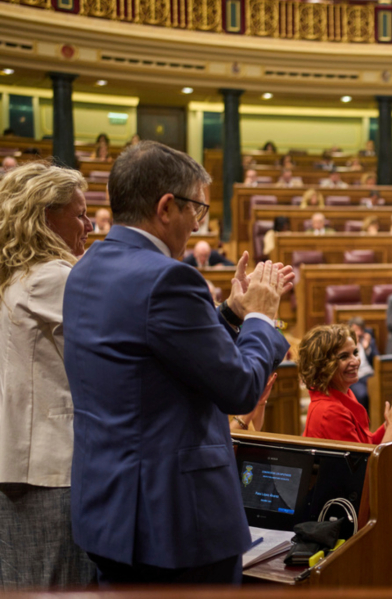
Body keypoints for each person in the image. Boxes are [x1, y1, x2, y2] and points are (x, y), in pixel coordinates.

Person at [64, 141, 293, 584]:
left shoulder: (87, 268)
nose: (197, 224)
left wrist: (231, 315)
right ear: (167, 206)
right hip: (174, 524)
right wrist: (264, 315)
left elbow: (160, 355)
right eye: (197, 210)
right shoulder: (168, 276)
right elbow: (240, 389)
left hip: (109, 515)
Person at [0, 162, 96, 589]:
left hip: (22, 465)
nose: (89, 224)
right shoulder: (51, 278)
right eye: (78, 214)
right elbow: (122, 347)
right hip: (48, 470)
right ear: (44, 216)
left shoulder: (15, 275)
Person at [300, 324, 392, 444]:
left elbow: (366, 445)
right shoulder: (331, 412)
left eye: (355, 353)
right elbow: (367, 468)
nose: (356, 362)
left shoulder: (345, 394)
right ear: (323, 365)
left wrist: (391, 420)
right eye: (344, 357)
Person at [347, 317, 378, 411]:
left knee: (380, 391)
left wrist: (367, 348)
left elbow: (378, 360)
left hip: (370, 376)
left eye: (361, 330)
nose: (359, 333)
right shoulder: (346, 345)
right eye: (356, 330)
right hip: (356, 377)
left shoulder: (369, 342)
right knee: (363, 394)